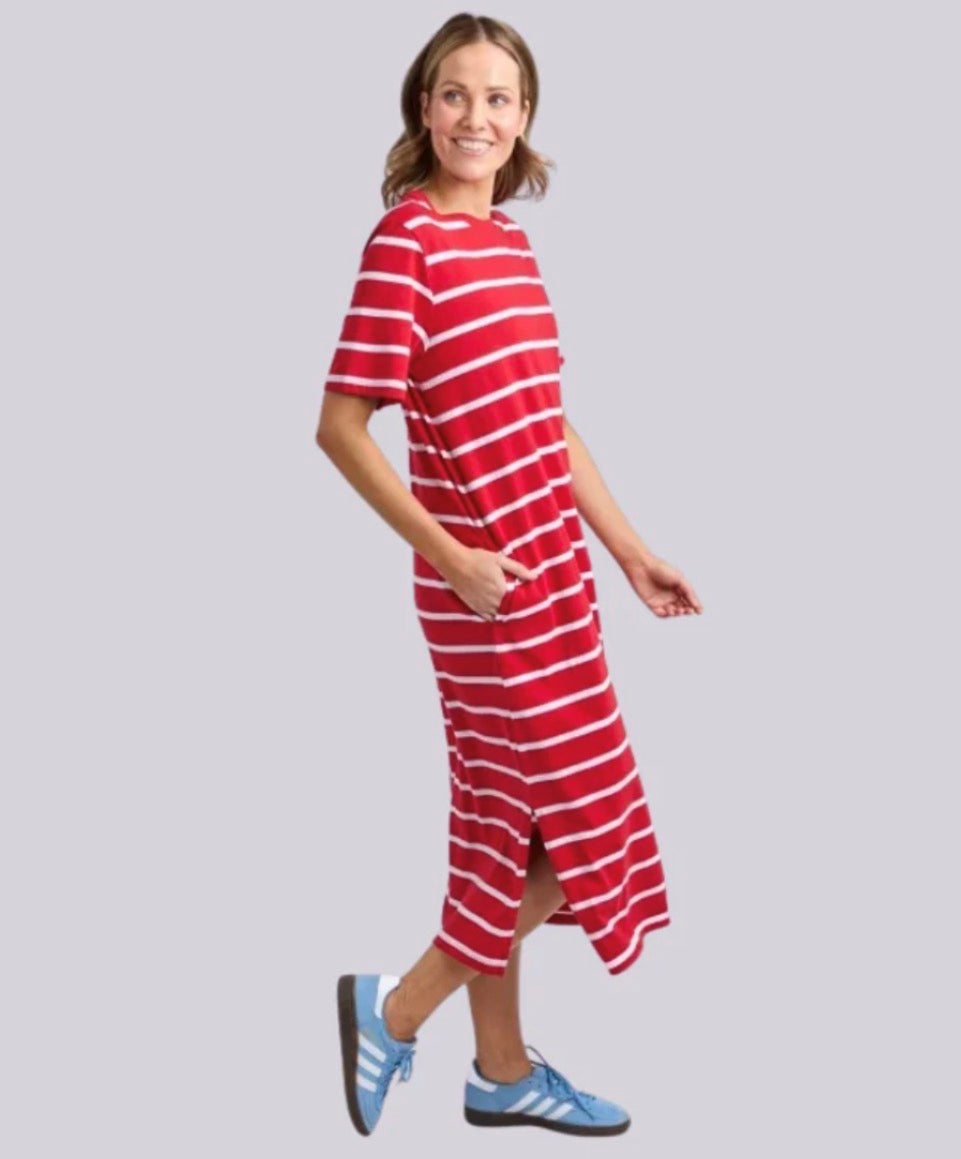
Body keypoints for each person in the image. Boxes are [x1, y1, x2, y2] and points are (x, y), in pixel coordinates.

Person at [316, 12, 702, 1139]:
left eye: (497, 97)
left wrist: (628, 551)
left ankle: (499, 1070)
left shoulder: (512, 251)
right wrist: (452, 557)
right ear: (423, 110)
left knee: (516, 833)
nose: (475, 116)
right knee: (588, 836)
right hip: (482, 595)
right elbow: (340, 427)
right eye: (454, 94)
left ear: (524, 116)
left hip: (556, 581)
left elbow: (545, 422)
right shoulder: (406, 244)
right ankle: (394, 1010)